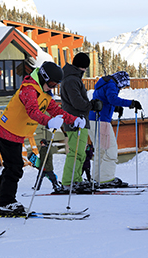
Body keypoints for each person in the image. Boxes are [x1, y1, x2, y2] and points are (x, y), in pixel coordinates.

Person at [0, 61, 85, 215]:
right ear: (43, 78)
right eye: (50, 83)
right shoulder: (29, 89)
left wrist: (73, 119)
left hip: (16, 133)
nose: (52, 87)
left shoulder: (44, 93)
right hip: (7, 131)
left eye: (55, 85)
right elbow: (32, 111)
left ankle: (2, 201)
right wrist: (49, 121)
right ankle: (5, 202)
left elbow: (56, 110)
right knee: (14, 168)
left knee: (13, 168)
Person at [88, 71, 142, 188]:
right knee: (110, 150)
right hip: (102, 121)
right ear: (121, 81)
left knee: (100, 151)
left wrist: (115, 107)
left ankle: (97, 178)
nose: (122, 88)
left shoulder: (103, 83)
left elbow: (104, 99)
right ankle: (106, 178)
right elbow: (112, 98)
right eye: (123, 86)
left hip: (92, 120)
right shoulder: (112, 84)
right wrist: (130, 103)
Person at [60, 52, 101, 190]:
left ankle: (75, 179)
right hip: (75, 120)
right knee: (76, 152)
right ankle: (68, 181)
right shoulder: (72, 80)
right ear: (83, 67)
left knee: (80, 152)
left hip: (78, 120)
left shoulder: (72, 78)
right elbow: (77, 102)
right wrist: (91, 105)